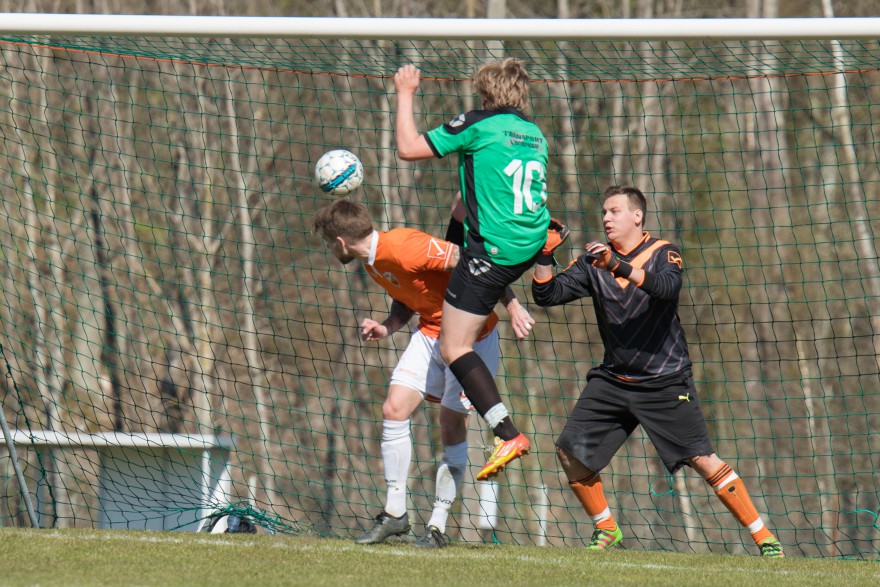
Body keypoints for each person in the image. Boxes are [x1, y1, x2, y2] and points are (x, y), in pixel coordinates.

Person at [531, 185, 784, 557]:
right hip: (615, 379)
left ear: (637, 216)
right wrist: (544, 252)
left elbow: (667, 288)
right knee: (569, 453)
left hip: (665, 380)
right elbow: (546, 295)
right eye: (604, 212)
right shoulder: (592, 263)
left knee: (702, 459)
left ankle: (765, 539)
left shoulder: (663, 251)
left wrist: (615, 265)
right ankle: (606, 528)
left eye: (614, 211)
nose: (605, 218)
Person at [312, 197, 535, 548]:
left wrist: (512, 303)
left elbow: (475, 261)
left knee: (450, 424)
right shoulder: (372, 261)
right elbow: (408, 295)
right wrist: (387, 327)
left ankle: (437, 525)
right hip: (430, 332)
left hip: (472, 337)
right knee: (394, 409)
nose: (330, 249)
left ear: (340, 242)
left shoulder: (404, 247)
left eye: (328, 243)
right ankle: (396, 513)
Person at [394, 58, 561, 480]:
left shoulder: (479, 123)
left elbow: (408, 148)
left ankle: (506, 433)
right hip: (529, 242)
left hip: (495, 252)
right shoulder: (534, 133)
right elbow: (475, 195)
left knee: (453, 347)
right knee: (462, 207)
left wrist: (406, 92)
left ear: (485, 95)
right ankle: (516, 295)